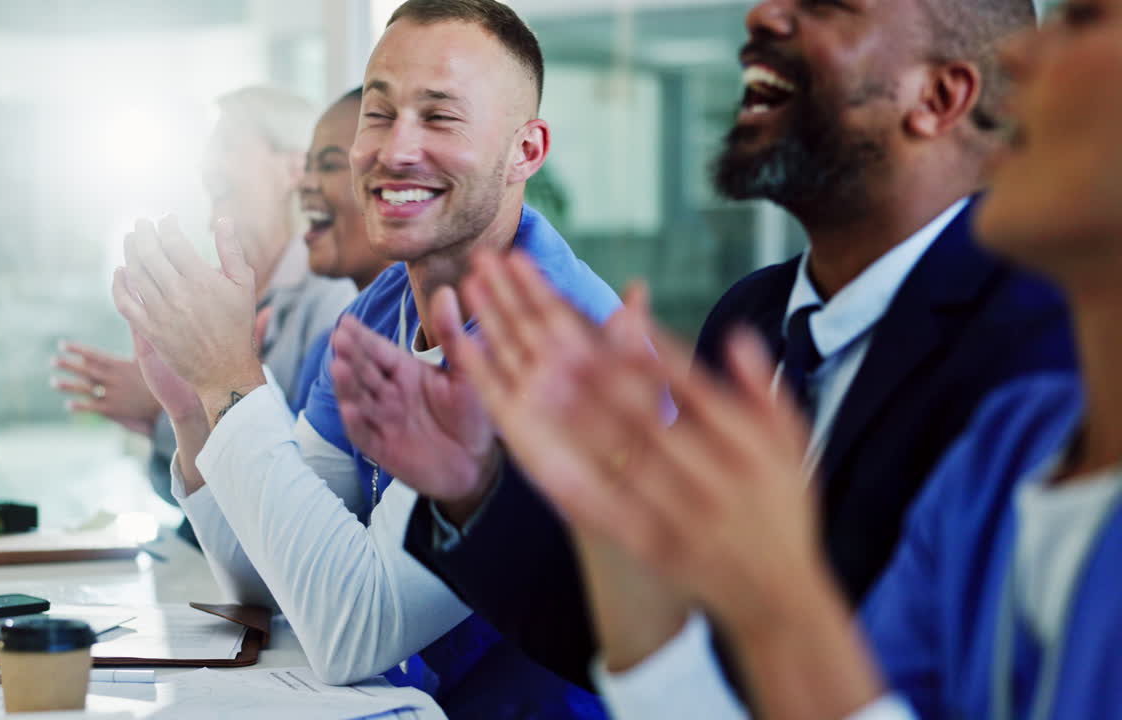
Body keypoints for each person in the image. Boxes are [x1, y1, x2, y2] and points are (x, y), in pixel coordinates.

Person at [330, 0, 1077, 705]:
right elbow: (643, 639)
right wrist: (474, 490)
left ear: (941, 97)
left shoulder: (1051, 354)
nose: (762, 17)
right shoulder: (751, 317)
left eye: (827, 6)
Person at [110, 1, 615, 717]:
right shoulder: (380, 308)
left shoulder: (552, 338)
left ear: (525, 152)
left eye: (440, 118)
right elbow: (267, 580)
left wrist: (231, 380)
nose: (396, 149)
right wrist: (196, 412)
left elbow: (358, 629)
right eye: (378, 115)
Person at [52, 87, 355, 545]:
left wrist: (167, 410)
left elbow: (300, 484)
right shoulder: (229, 296)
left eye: (228, 142)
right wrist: (172, 417)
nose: (206, 164)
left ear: (293, 168)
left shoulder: (334, 298)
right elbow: (194, 506)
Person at [292, 87, 394, 410]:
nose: (305, 183)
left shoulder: (436, 343)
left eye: (330, 165)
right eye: (308, 167)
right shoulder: (332, 346)